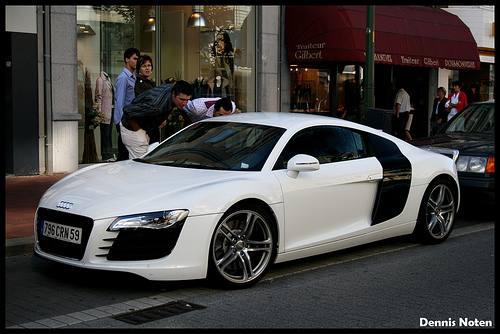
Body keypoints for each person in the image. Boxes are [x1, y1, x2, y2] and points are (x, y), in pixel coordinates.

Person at [120, 80, 193, 159]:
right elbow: (128, 111)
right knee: (140, 163)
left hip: (145, 127)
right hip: (132, 129)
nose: (185, 103)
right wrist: (138, 131)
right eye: (182, 99)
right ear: (173, 93)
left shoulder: (171, 87)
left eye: (187, 100)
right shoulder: (156, 106)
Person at [114, 47, 140, 160]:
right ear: (127, 59)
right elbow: (119, 101)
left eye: (137, 59)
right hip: (124, 120)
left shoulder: (133, 77)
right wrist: (121, 122)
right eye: (134, 59)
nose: (136, 62)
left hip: (130, 118)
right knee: (123, 153)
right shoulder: (123, 78)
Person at [134, 55, 158, 143]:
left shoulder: (149, 83)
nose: (147, 68)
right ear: (139, 69)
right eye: (144, 66)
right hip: (146, 125)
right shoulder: (140, 84)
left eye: (149, 65)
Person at [95, 71, 115, 161]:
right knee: (105, 134)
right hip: (104, 111)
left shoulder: (108, 80)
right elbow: (98, 96)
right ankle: (106, 155)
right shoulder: (100, 80)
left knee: (109, 133)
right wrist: (99, 112)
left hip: (111, 110)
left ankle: (110, 154)